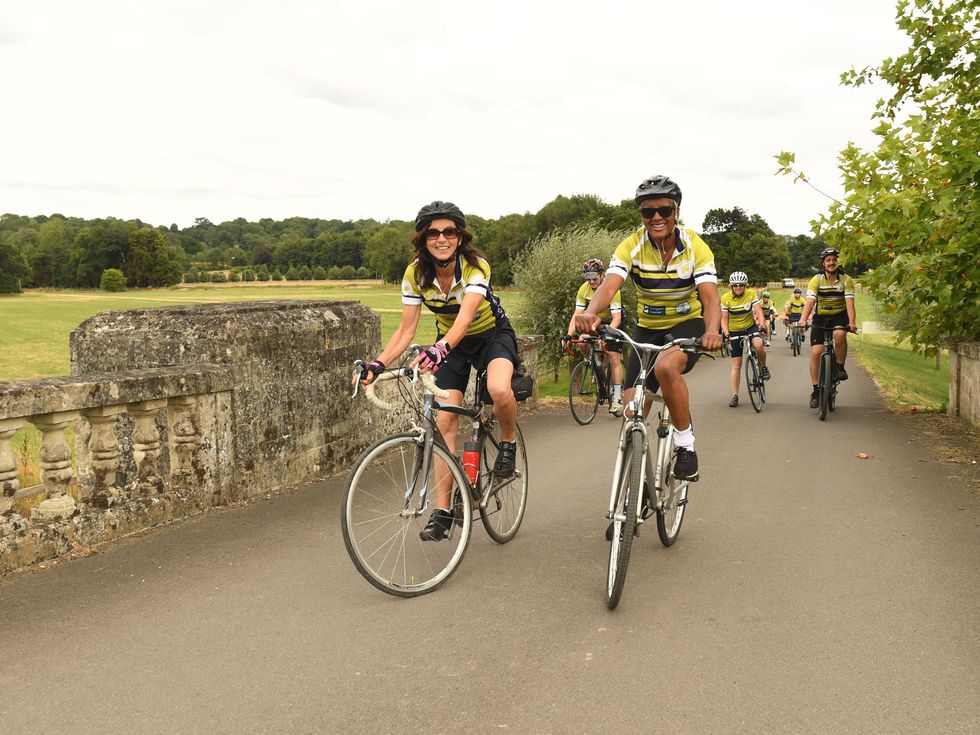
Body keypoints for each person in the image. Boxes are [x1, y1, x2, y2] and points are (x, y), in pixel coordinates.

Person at [356, 201, 521, 541]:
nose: (441, 238)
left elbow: (465, 317)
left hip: (491, 337)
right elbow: (406, 330)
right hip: (452, 346)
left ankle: (508, 442)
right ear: (423, 239)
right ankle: (443, 511)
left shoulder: (476, 268)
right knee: (444, 421)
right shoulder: (415, 273)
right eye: (433, 233)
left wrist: (440, 347)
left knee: (500, 389)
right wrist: (378, 363)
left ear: (460, 238)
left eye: (449, 232)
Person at [574, 175, 722, 487]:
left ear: (676, 212)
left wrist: (712, 330)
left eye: (664, 211)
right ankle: (632, 496)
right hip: (646, 329)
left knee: (668, 368)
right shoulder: (631, 246)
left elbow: (709, 297)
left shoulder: (696, 246)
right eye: (648, 212)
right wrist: (589, 312)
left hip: (687, 325)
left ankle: (685, 445)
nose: (656, 218)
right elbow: (610, 284)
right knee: (631, 414)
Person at [797, 247, 857, 409]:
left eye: (834, 260)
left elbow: (850, 303)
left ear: (837, 262)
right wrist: (803, 319)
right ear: (823, 264)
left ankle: (839, 367)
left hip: (839, 315)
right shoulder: (816, 280)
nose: (831, 263)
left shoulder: (846, 280)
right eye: (828, 260)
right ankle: (816, 390)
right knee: (816, 352)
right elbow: (810, 302)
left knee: (839, 335)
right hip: (821, 316)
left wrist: (852, 323)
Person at [565, 258, 624, 416]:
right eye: (588, 278)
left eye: (594, 278)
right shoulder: (583, 290)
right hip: (595, 323)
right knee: (583, 340)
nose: (591, 281)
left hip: (612, 323)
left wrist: (608, 335)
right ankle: (595, 365)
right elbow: (577, 315)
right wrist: (569, 335)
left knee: (613, 356)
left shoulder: (612, 289)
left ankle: (617, 398)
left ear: (602, 275)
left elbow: (617, 318)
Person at [720, 271, 770, 407]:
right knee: (736, 365)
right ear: (731, 286)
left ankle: (763, 367)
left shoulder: (751, 294)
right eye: (735, 285)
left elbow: (759, 312)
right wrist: (726, 334)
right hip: (734, 330)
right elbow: (723, 320)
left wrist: (761, 325)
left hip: (750, 327)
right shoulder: (725, 298)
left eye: (741, 285)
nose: (738, 287)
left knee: (758, 345)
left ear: (745, 286)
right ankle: (735, 395)